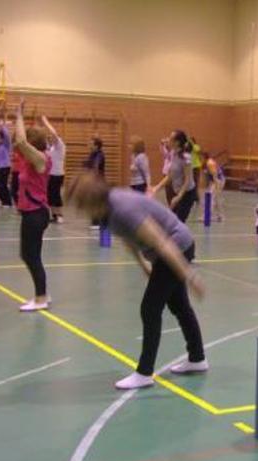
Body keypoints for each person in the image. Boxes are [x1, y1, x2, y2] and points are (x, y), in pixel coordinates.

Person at [66, 172, 207, 390]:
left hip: (175, 246)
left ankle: (144, 373)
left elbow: (161, 241)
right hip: (169, 250)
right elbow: (127, 237)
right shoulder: (108, 210)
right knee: (179, 305)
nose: (81, 212)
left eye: (81, 205)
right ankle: (197, 358)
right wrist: (143, 264)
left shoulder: (123, 209)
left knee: (150, 309)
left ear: (91, 200)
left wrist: (189, 275)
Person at [14, 103, 52, 311]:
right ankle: (42, 291)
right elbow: (19, 140)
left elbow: (20, 140)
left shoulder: (40, 159)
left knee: (31, 255)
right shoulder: (31, 159)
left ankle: (41, 298)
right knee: (29, 254)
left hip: (36, 213)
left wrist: (19, 115)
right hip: (31, 213)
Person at [150, 130, 197, 223]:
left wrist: (179, 197)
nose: (168, 140)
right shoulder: (173, 153)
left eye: (171, 138)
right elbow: (170, 176)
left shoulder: (186, 157)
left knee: (178, 223)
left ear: (177, 142)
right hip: (178, 193)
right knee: (171, 221)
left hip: (187, 194)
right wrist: (156, 188)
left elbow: (187, 180)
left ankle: (184, 237)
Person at [84, 136, 106, 229]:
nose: (89, 145)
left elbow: (96, 167)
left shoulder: (99, 154)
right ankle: (96, 221)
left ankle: (97, 222)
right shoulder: (92, 154)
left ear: (96, 146)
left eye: (91, 143)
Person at [0, 121, 13, 208]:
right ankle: (2, 200)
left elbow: (7, 135)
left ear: (2, 138)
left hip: (5, 167)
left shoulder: (6, 145)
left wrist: (2, 126)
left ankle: (7, 202)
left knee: (3, 185)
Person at [203, 151, 226, 222]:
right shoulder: (208, 162)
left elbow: (215, 174)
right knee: (215, 199)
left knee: (212, 198)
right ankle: (220, 216)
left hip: (218, 181)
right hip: (215, 181)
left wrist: (217, 185)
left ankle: (208, 216)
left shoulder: (209, 163)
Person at [160, 138, 175, 205]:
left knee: (172, 189)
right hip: (166, 172)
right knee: (167, 190)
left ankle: (173, 203)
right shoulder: (166, 152)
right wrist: (162, 144)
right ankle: (170, 204)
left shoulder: (174, 152)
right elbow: (163, 152)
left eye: (168, 143)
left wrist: (167, 143)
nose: (167, 145)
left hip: (172, 173)